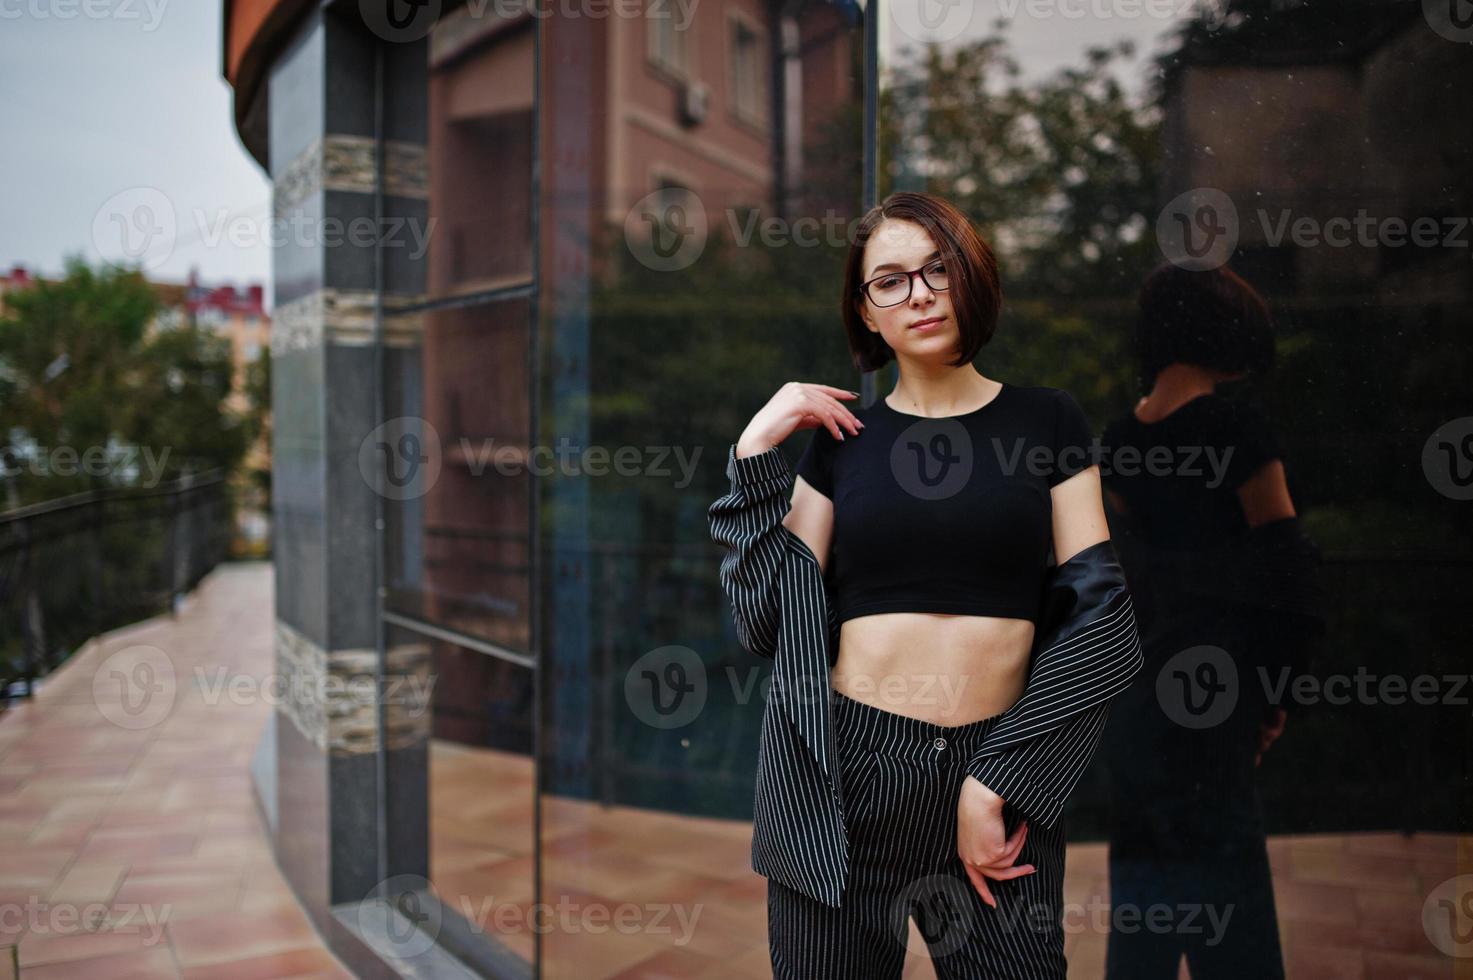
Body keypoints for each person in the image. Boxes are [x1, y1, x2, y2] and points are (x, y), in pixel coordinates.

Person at [707, 190, 1144, 979]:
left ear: (968, 279)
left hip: (996, 766)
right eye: (889, 280)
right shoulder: (841, 447)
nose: (917, 293)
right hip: (845, 773)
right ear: (866, 312)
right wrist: (753, 453)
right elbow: (766, 623)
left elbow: (1101, 623)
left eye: (936, 270)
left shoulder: (1046, 423)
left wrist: (996, 779)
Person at [1097, 262, 1325, 979]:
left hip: (1140, 701)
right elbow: (1285, 565)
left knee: (1141, 919)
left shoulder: (1116, 441)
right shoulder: (1238, 425)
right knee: (1235, 920)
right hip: (1216, 692)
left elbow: (1119, 585)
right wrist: (1276, 692)